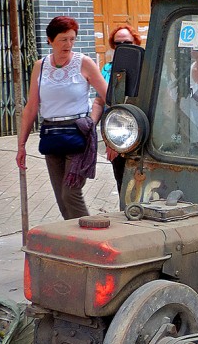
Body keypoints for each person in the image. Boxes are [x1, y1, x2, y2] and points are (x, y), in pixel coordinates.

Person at [16, 15, 107, 220]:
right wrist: (21, 145)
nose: (68, 44)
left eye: (72, 39)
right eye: (63, 39)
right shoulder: (40, 66)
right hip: (52, 135)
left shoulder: (84, 63)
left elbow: (107, 96)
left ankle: (89, 240)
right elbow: (31, 107)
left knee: (71, 193)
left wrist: (92, 121)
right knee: (61, 198)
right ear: (50, 40)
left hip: (78, 133)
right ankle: (74, 242)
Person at [101, 25, 142, 192]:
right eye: (118, 43)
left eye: (127, 42)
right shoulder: (107, 69)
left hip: (140, 133)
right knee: (122, 182)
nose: (123, 46)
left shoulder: (146, 65)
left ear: (136, 42)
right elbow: (104, 102)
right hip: (118, 134)